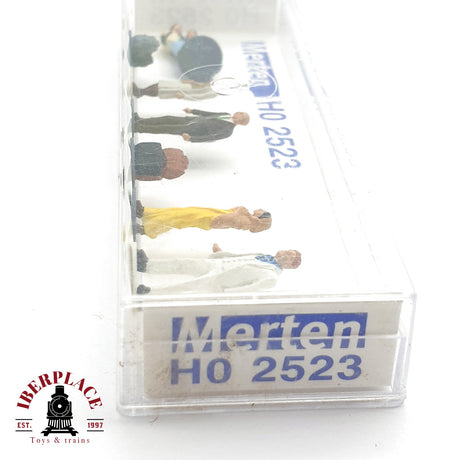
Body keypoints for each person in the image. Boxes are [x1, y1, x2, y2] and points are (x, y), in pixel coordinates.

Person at [136, 245, 301, 294]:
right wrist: (221, 254)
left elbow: (249, 289)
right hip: (217, 264)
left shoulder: (271, 277)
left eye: (289, 256)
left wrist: (226, 292)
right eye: (288, 251)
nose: (285, 253)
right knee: (185, 263)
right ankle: (147, 265)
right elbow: (239, 255)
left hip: (220, 280)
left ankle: (151, 291)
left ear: (289, 265)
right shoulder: (263, 255)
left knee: (186, 286)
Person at [136, 202, 271, 239]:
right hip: (212, 214)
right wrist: (241, 211)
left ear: (262, 218)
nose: (260, 209)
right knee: (178, 212)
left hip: (211, 219)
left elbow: (233, 217)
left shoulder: (247, 222)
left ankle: (148, 229)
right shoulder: (246, 216)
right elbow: (237, 210)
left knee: (178, 220)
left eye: (263, 212)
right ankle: (146, 212)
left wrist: (242, 212)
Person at [133, 109, 250, 143]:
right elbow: (208, 113)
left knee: (166, 128)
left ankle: (140, 128)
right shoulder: (226, 114)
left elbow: (210, 138)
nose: (239, 114)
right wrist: (193, 111)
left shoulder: (228, 131)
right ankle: (141, 121)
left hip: (193, 130)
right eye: (240, 113)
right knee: (167, 118)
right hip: (191, 120)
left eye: (242, 116)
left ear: (241, 122)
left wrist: (191, 138)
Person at [132, 80, 217, 100]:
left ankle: (140, 92)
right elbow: (202, 84)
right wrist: (192, 82)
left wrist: (184, 96)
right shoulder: (216, 83)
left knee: (161, 91)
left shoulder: (214, 93)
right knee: (161, 85)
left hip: (186, 91)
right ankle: (141, 91)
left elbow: (198, 97)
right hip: (186, 85)